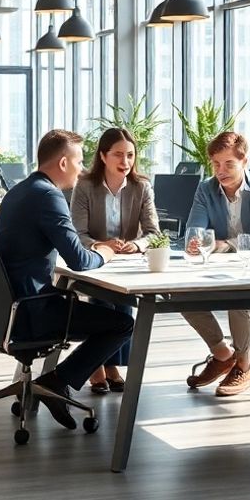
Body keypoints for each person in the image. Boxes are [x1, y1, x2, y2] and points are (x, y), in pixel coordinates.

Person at [0, 129, 134, 430]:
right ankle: (59, 381)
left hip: (7, 308)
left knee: (102, 314)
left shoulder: (20, 190)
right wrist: (106, 251)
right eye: (79, 161)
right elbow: (80, 261)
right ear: (63, 163)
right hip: (32, 312)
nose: (82, 168)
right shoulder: (48, 196)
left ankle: (58, 380)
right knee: (122, 323)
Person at [180, 131, 250, 397]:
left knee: (239, 296)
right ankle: (223, 354)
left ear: (244, 160)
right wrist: (196, 242)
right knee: (179, 296)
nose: (220, 171)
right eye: (216, 164)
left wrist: (225, 244)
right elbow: (194, 232)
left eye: (228, 164)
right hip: (219, 268)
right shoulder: (206, 188)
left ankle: (244, 366)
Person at [70, 127, 160, 394]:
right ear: (103, 156)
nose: (125, 162)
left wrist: (136, 244)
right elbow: (78, 232)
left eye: (130, 155)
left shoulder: (141, 187)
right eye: (118, 155)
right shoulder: (85, 185)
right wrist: (100, 246)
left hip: (128, 263)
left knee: (124, 306)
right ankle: (100, 365)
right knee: (101, 302)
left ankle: (109, 365)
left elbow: (154, 233)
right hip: (96, 259)